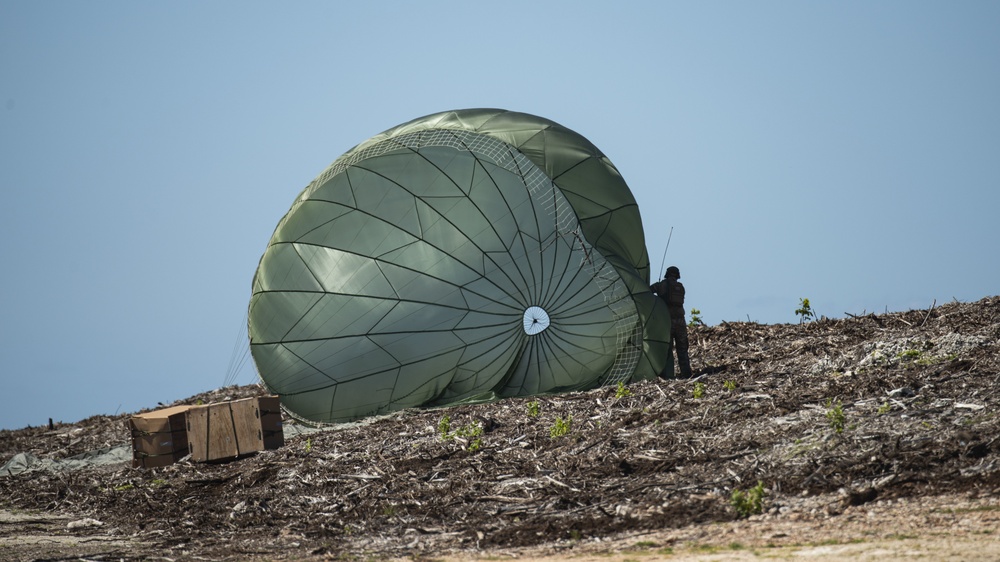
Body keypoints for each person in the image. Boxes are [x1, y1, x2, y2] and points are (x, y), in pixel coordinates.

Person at [650, 266, 693, 378]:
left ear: (667, 274)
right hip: (681, 322)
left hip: (668, 322)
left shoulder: (662, 285)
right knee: (682, 349)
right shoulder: (681, 287)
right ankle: (686, 373)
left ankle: (668, 374)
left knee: (667, 350)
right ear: (677, 275)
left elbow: (649, 290)